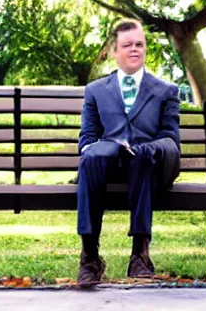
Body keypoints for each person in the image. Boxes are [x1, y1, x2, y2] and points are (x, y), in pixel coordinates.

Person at [77, 19, 180, 286]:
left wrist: (148, 148)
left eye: (139, 44)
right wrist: (98, 151)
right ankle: (89, 257)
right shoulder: (96, 90)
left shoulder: (166, 91)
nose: (134, 50)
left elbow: (170, 139)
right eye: (127, 45)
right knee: (90, 157)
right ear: (114, 51)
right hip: (109, 166)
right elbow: (87, 138)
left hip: (149, 165)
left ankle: (140, 256)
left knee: (142, 157)